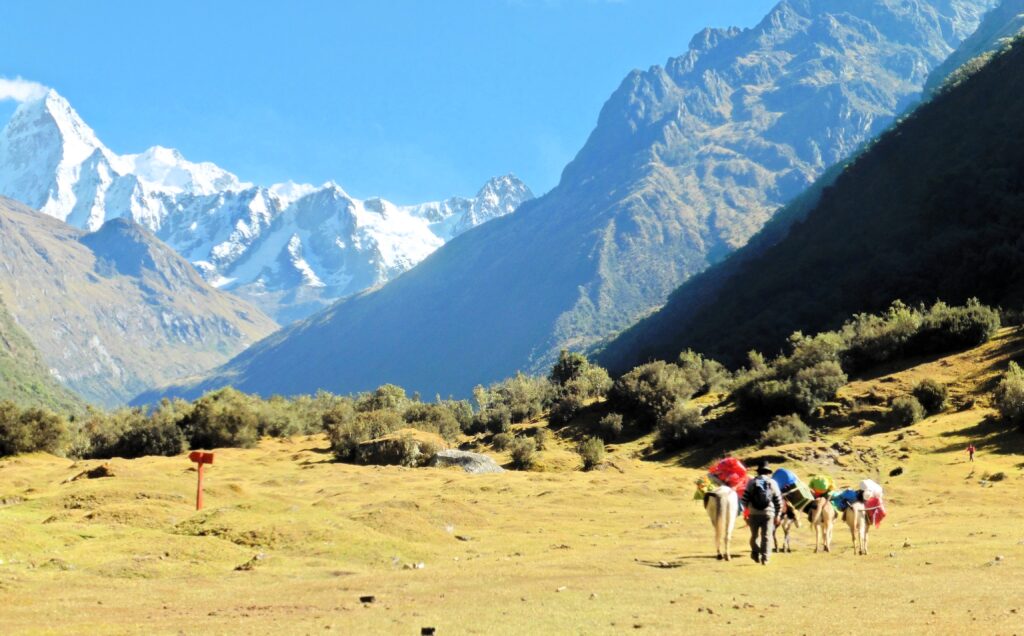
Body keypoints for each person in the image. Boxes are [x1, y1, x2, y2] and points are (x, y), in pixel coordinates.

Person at [742, 463, 784, 565]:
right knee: (766, 536)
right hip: (768, 514)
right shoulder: (773, 483)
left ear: (758, 472)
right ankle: (765, 558)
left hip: (753, 514)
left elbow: (744, 500)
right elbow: (778, 501)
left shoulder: (751, 482)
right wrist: (778, 515)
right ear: (768, 472)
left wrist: (746, 514)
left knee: (754, 536)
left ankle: (755, 552)